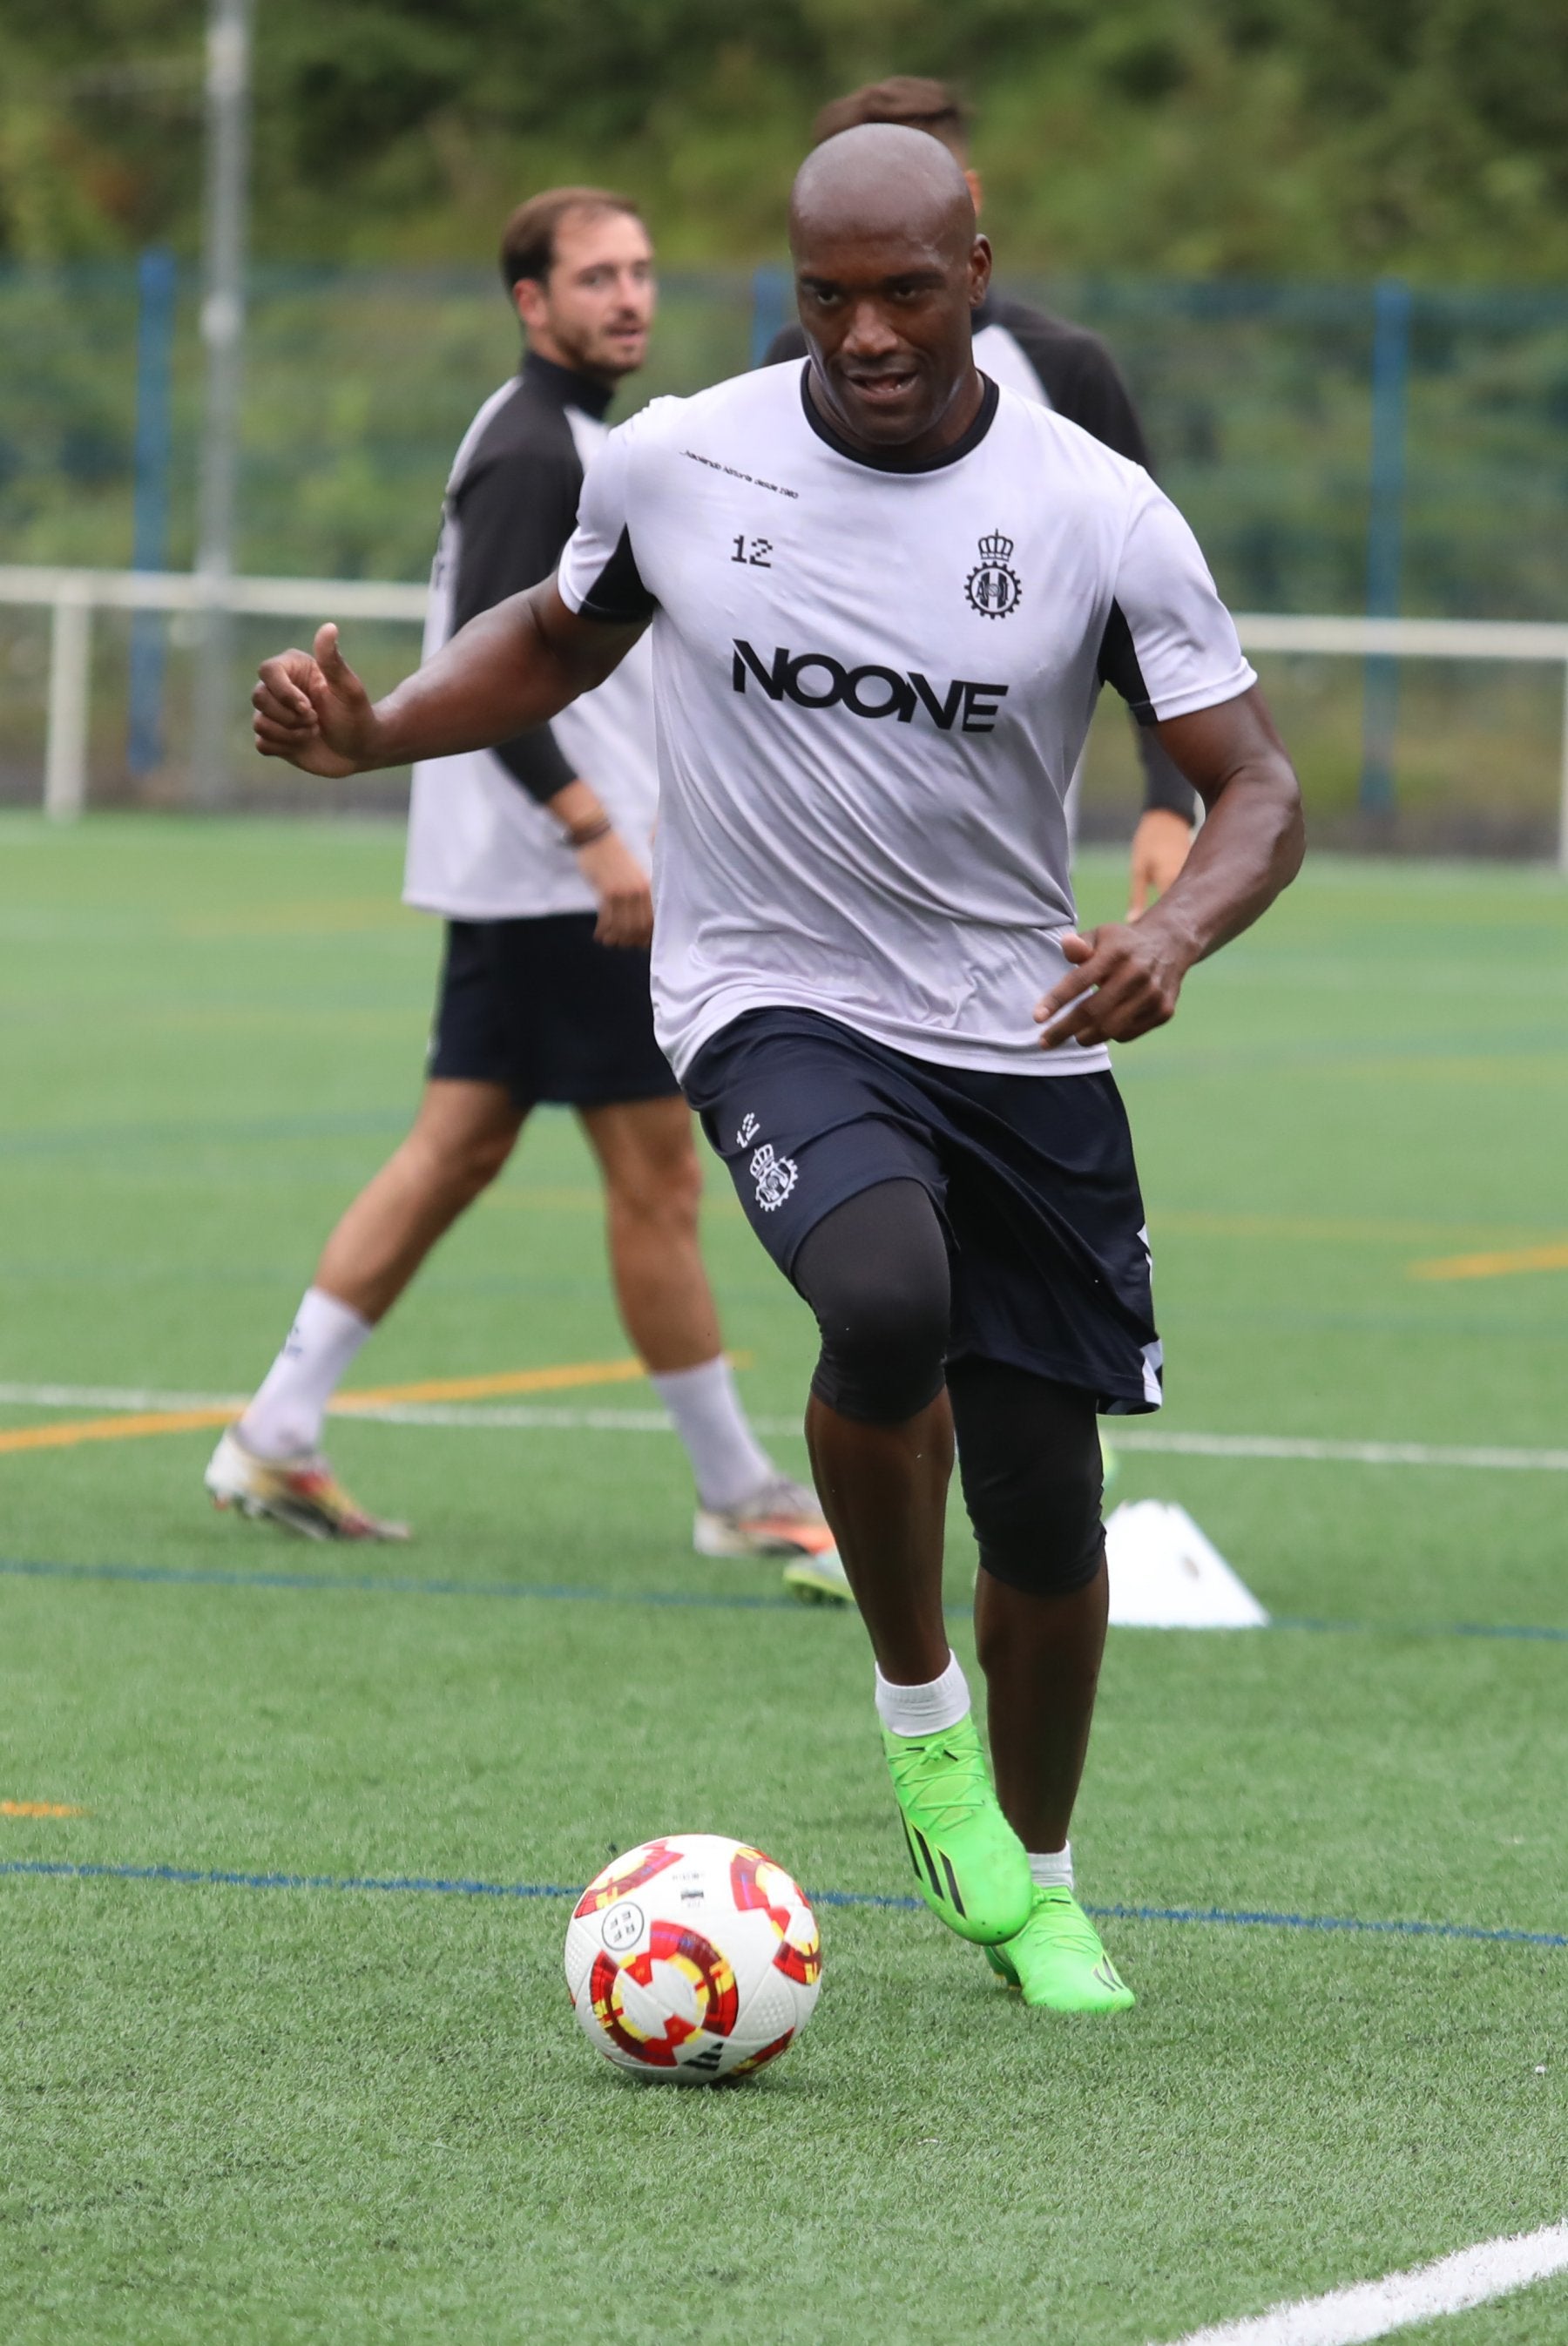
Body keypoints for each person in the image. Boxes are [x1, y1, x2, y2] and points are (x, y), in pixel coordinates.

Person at [248, 127, 1304, 2014]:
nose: (869, 332)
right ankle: (920, 1729)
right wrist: (383, 729)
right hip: (763, 991)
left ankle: (1038, 1874)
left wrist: (1170, 930)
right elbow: (557, 636)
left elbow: (1259, 784)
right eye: (829, 295)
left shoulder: (1097, 506)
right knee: (883, 1290)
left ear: (977, 267)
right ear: (793, 287)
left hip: (1019, 1020)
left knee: (1051, 1501)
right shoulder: (681, 456)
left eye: (906, 290)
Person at [206, 184, 829, 1572]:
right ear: (530, 303)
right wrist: (598, 830)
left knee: (456, 1149)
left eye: (643, 272)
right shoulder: (538, 450)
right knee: (658, 1177)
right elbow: (497, 671)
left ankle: (275, 1427)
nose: (630, 296)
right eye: (596, 276)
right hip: (563, 878)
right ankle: (736, 1489)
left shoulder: (572, 438)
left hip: (522, 872)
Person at [763, 76, 1197, 916]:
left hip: (1000, 886)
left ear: (968, 205)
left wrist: (1167, 802)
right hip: (799, 875)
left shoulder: (1067, 370)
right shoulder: (792, 366)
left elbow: (1145, 605)